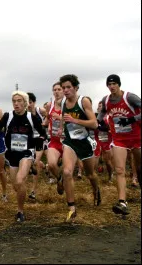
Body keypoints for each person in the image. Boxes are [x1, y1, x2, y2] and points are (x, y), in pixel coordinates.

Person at [0, 91, 47, 222]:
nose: (16, 104)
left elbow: (43, 134)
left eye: (19, 101)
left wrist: (39, 141)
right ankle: (22, 194)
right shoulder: (8, 116)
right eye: (14, 101)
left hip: (26, 152)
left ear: (25, 103)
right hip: (12, 154)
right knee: (16, 186)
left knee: (20, 180)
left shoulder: (31, 117)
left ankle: (20, 211)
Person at [58, 74, 101, 222]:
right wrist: (62, 128)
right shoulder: (63, 101)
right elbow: (64, 117)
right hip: (70, 142)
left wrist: (75, 120)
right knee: (67, 171)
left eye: (68, 87)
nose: (65, 90)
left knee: (91, 174)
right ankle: (71, 208)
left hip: (84, 142)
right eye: (63, 88)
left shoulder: (84, 101)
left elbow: (94, 124)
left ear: (76, 88)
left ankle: (96, 190)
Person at [97, 74, 141, 216]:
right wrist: (100, 123)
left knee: (139, 168)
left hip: (136, 136)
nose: (112, 86)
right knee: (120, 169)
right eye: (109, 84)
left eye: (114, 84)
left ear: (119, 85)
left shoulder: (130, 97)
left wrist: (131, 119)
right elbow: (101, 113)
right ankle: (122, 202)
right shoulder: (106, 100)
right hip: (119, 139)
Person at [45, 82, 65, 194]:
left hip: (67, 142)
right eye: (55, 90)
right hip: (54, 141)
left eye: (59, 89)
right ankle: (59, 178)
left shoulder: (69, 104)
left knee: (68, 170)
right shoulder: (49, 105)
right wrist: (48, 125)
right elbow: (48, 118)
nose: (56, 92)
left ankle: (70, 202)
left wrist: (61, 118)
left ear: (63, 91)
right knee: (52, 164)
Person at [27, 92, 47, 200]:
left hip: (40, 139)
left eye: (30, 102)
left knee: (35, 163)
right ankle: (46, 167)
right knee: (35, 162)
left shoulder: (40, 111)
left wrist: (45, 123)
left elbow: (51, 115)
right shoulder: (24, 113)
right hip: (30, 140)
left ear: (34, 102)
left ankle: (33, 191)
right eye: (26, 103)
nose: (28, 105)